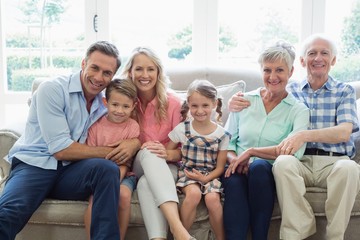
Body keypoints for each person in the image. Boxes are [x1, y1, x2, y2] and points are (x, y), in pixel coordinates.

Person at [0, 41, 141, 240]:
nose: (99, 77)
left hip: (71, 171)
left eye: (107, 73)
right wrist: (117, 150)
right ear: (83, 64)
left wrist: (134, 143)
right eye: (95, 68)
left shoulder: (106, 102)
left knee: (107, 170)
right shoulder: (53, 89)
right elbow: (61, 150)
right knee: (7, 213)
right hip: (36, 165)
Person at [229, 34, 360, 240]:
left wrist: (303, 135)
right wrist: (234, 101)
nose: (318, 58)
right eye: (311, 53)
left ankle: (335, 236)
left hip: (334, 161)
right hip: (302, 159)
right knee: (282, 163)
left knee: (350, 168)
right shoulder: (292, 89)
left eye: (324, 53)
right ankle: (295, 232)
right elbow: (269, 88)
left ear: (333, 60)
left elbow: (344, 132)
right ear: (301, 61)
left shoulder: (344, 91)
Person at [223, 40, 310, 240]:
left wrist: (252, 152)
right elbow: (228, 142)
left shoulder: (298, 110)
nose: (272, 76)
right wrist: (235, 160)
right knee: (234, 181)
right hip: (236, 167)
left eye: (279, 70)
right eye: (267, 70)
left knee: (260, 167)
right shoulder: (244, 101)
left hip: (267, 173)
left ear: (291, 71)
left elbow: (293, 152)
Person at [121, 47, 195, 240]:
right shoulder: (123, 102)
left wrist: (167, 153)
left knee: (146, 184)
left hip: (168, 167)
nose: (144, 75)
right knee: (149, 151)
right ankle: (178, 229)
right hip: (135, 165)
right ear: (130, 72)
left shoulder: (173, 104)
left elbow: (185, 151)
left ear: (158, 72)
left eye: (150, 69)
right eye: (139, 69)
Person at [166, 79, 230, 240]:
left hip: (211, 175)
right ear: (188, 104)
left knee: (213, 199)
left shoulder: (222, 134)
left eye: (205, 105)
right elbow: (169, 151)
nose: (199, 111)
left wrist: (206, 178)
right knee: (193, 194)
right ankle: (181, 236)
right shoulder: (183, 129)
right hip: (188, 174)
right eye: (194, 106)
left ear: (214, 104)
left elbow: (220, 167)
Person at [84, 78, 140, 240]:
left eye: (126, 106)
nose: (119, 111)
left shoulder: (132, 127)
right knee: (95, 201)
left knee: (123, 195)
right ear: (105, 102)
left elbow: (125, 162)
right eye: (115, 105)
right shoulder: (95, 126)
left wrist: (115, 180)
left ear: (133, 106)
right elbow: (91, 157)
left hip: (123, 174)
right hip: (100, 177)